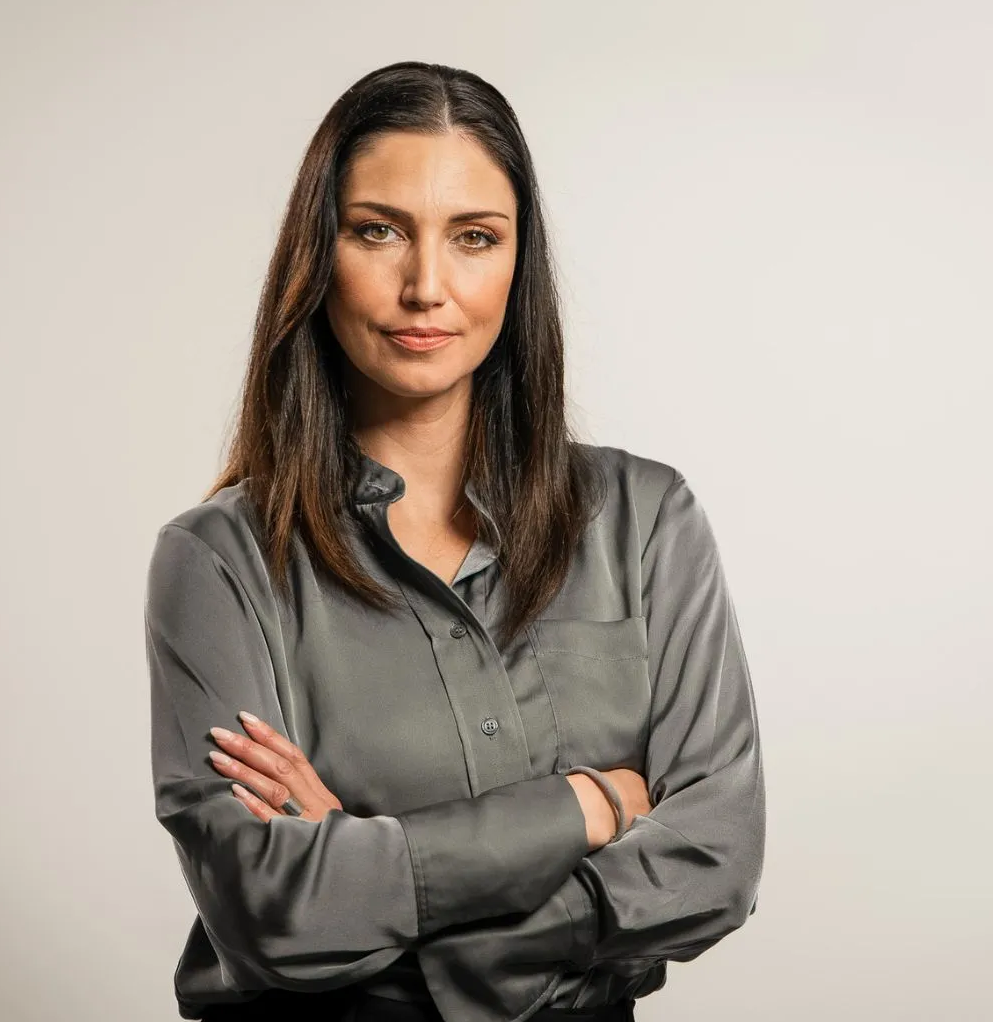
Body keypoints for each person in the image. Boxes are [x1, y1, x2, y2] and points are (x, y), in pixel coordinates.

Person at [144, 60, 765, 1022]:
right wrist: (585, 807)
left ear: (519, 263)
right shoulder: (221, 561)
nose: (426, 286)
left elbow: (716, 858)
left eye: (474, 237)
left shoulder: (645, 520)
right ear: (318, 253)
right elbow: (269, 909)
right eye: (378, 231)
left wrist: (378, 879)